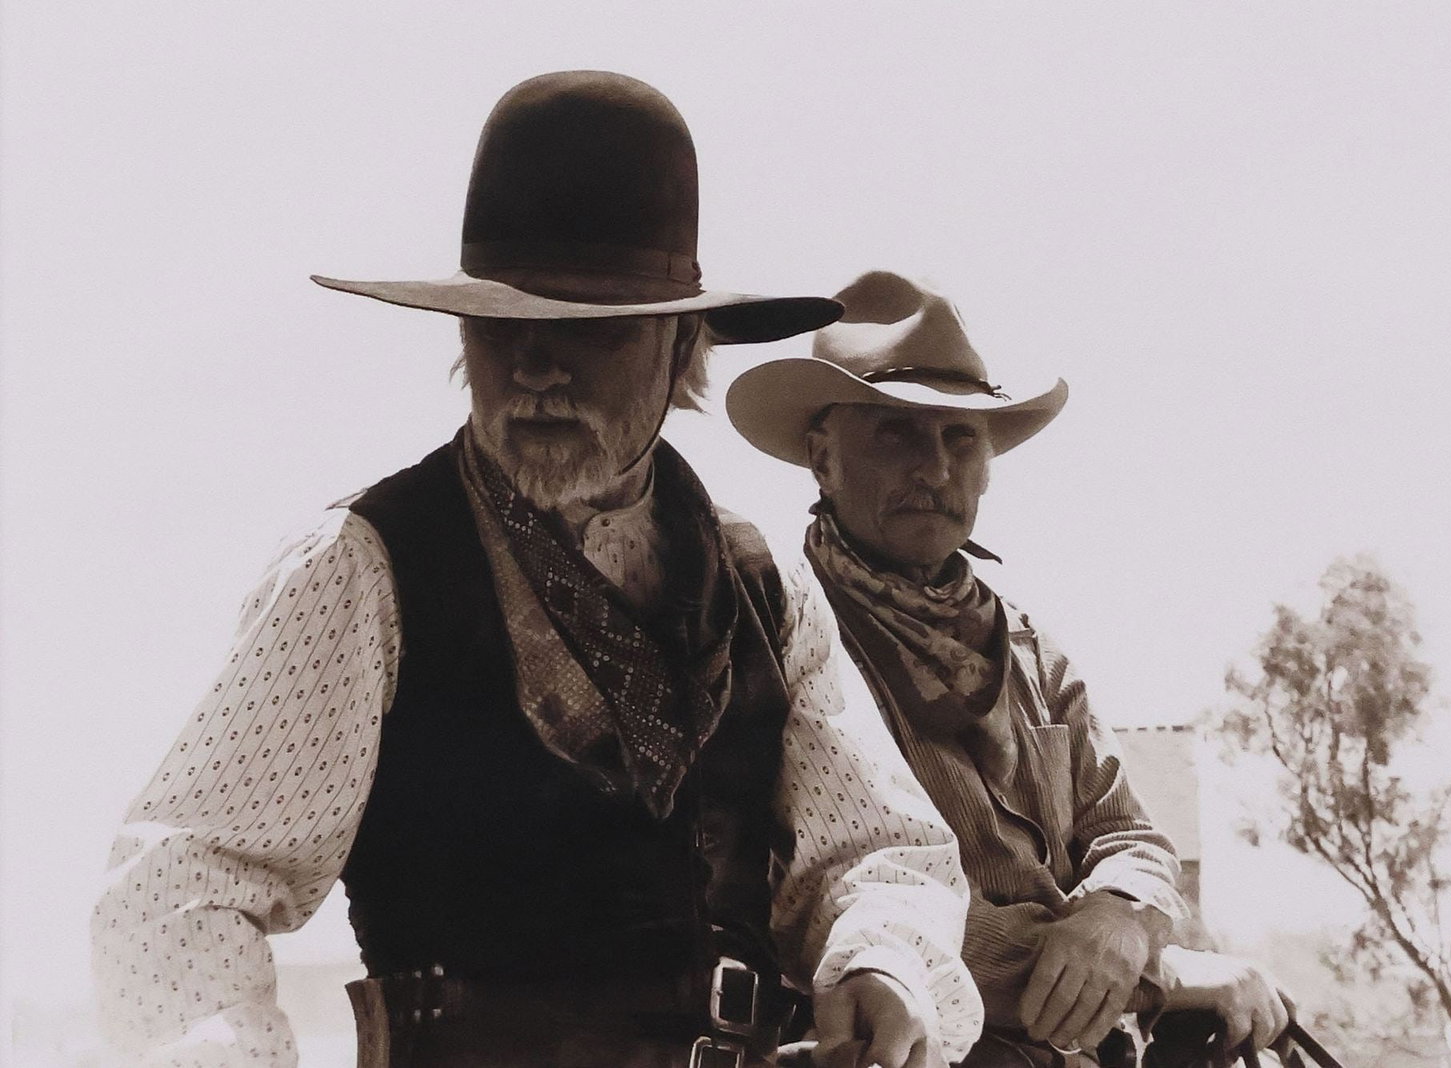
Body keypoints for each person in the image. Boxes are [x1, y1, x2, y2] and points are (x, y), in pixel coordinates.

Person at [91, 77, 983, 1068]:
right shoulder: (363, 568)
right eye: (501, 326)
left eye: (588, 330)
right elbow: (186, 883)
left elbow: (878, 849)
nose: (537, 368)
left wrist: (883, 965)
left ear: (681, 345)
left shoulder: (761, 586)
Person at [725, 271, 1292, 1067]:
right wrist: (1152, 974)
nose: (933, 466)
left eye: (960, 438)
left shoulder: (1031, 649)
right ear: (823, 458)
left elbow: (1130, 835)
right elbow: (821, 897)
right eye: (896, 431)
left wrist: (1122, 918)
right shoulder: (775, 628)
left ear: (988, 464)